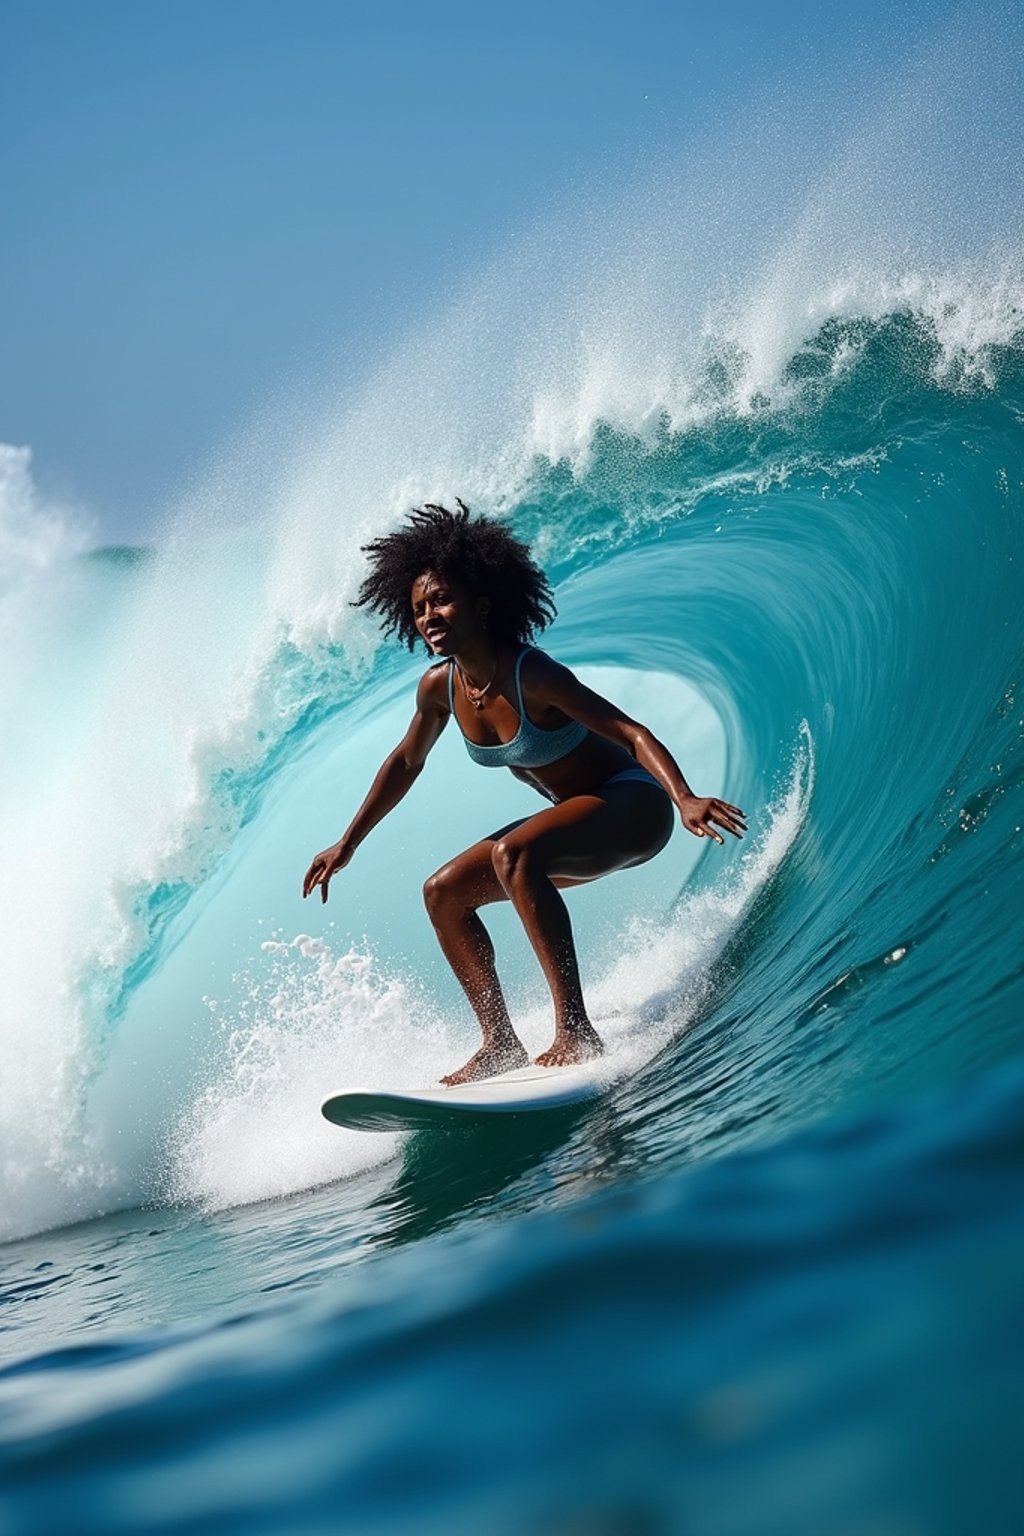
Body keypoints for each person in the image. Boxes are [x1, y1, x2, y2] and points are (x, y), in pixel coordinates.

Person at [303, 501, 746, 1085]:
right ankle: (500, 1044)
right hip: (577, 820)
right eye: (417, 609)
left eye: (441, 600)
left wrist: (684, 797)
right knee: (442, 893)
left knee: (514, 854)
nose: (428, 615)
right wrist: (348, 842)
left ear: (483, 604)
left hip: (634, 805)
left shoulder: (532, 674)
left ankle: (576, 1029)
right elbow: (406, 762)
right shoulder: (441, 687)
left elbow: (631, 733)